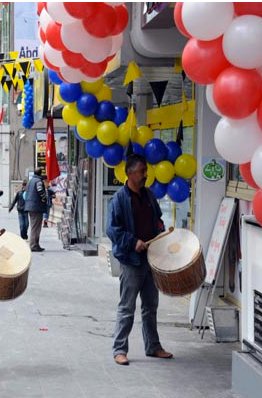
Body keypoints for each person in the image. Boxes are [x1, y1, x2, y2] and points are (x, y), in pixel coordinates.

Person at [106, 154, 173, 366]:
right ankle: (119, 349)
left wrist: (161, 231)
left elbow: (158, 219)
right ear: (130, 174)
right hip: (131, 261)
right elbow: (112, 230)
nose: (146, 175)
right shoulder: (118, 199)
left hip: (151, 259)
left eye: (145, 171)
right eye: (142, 171)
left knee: (151, 306)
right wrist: (132, 242)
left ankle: (153, 346)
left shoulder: (149, 195)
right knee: (127, 307)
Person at [24, 168, 47, 252]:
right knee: (36, 227)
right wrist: (44, 198)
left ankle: (35, 244)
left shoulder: (30, 181)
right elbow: (40, 191)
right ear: (40, 174)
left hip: (30, 206)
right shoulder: (38, 181)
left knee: (34, 226)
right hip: (36, 206)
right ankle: (33, 245)